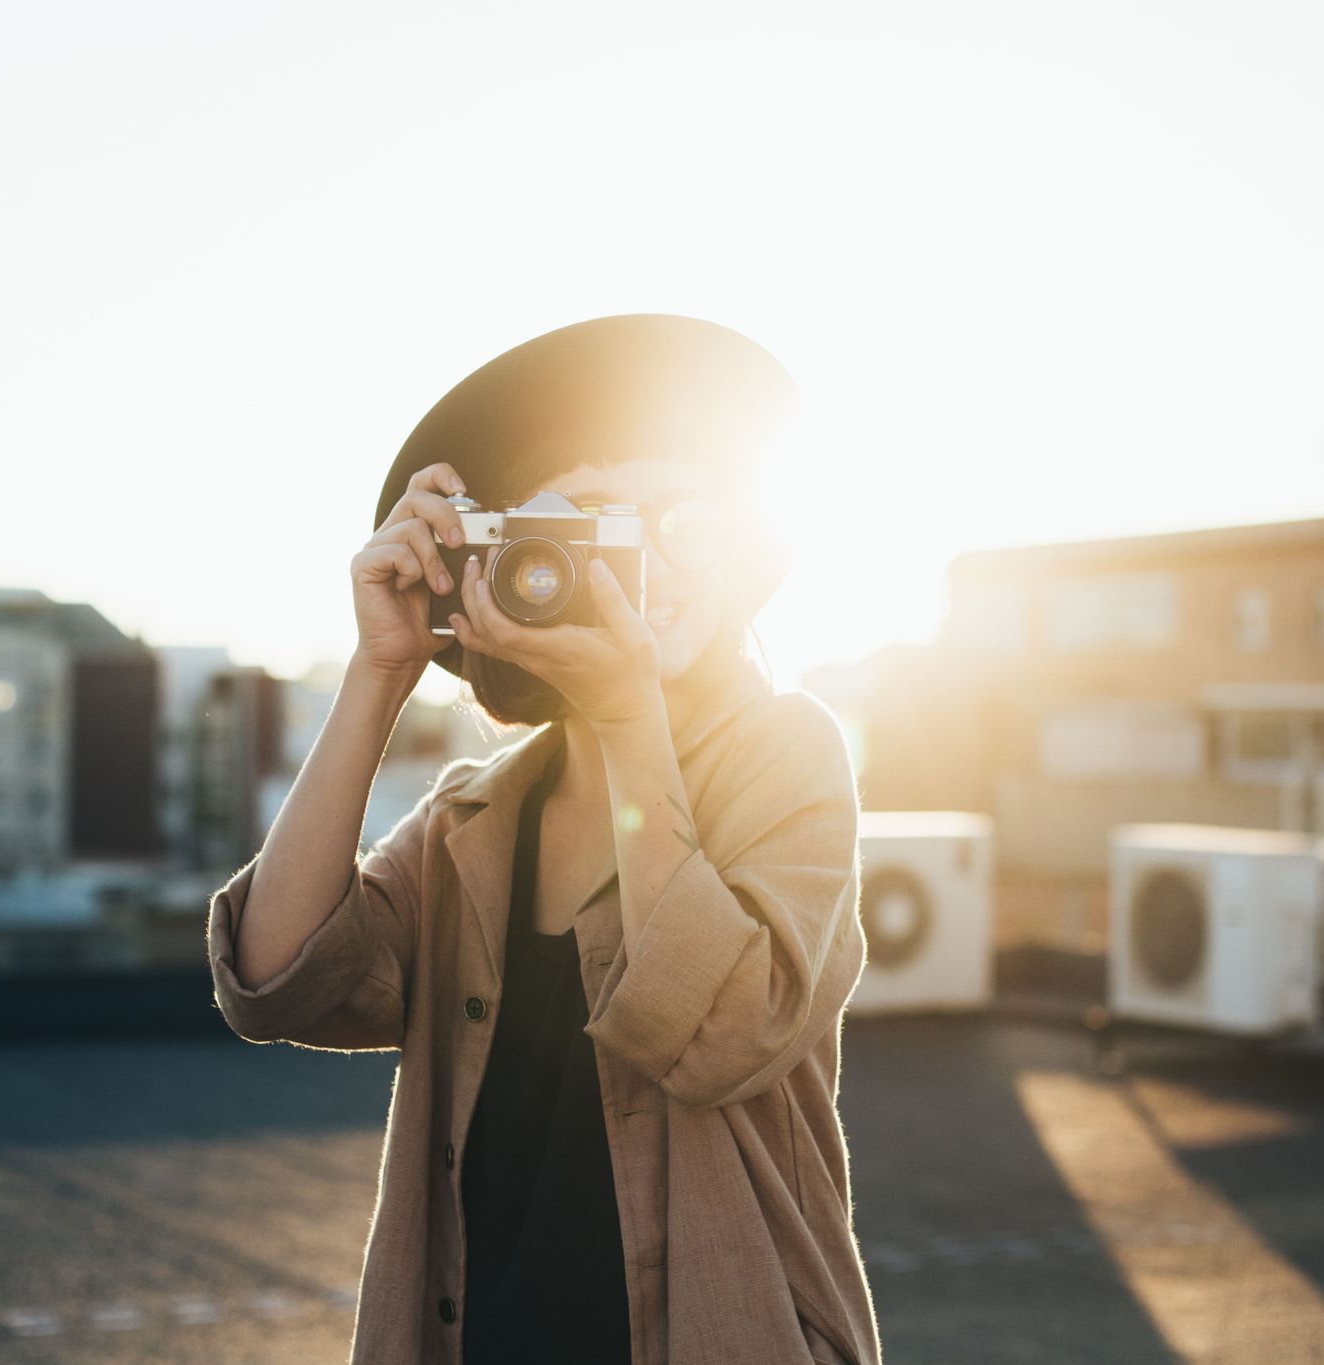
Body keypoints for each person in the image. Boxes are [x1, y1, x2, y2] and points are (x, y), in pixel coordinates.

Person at [205, 314, 880, 1365]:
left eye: (684, 523)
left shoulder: (783, 754)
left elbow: (721, 1038)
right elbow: (274, 977)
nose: (650, 563)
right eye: (602, 526)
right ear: (517, 560)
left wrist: (626, 719)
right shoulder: (476, 820)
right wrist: (379, 669)